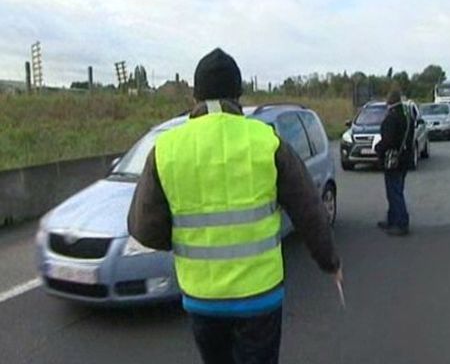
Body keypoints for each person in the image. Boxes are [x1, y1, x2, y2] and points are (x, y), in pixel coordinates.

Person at [127, 48, 342, 364]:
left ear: (195, 96)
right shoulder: (266, 141)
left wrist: (184, 241)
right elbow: (309, 210)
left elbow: (144, 229)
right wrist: (330, 262)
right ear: (238, 95)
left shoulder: (166, 149)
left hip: (202, 299)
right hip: (259, 298)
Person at [374, 91, 414, 236]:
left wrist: (378, 148)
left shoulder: (392, 118)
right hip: (404, 159)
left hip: (393, 160)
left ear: (389, 102)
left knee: (394, 192)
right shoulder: (407, 118)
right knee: (397, 190)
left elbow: (388, 140)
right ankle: (392, 219)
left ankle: (401, 223)